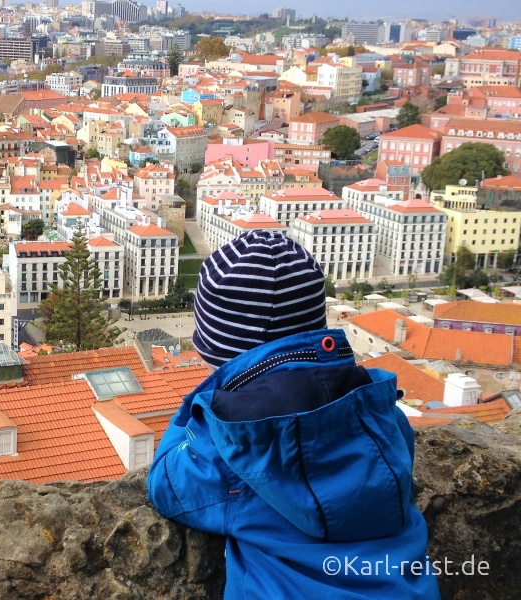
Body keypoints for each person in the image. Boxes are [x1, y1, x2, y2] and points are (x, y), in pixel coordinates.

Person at [148, 230, 440, 599]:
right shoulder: (378, 411)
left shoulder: (231, 446)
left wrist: (198, 408)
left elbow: (165, 485)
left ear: (218, 354)